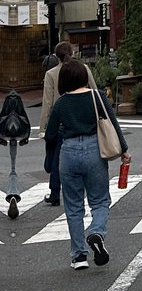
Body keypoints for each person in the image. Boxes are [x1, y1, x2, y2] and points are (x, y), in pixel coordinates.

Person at [44, 58, 129, 270]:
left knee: (73, 207)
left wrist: (65, 131)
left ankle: (79, 256)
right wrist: (124, 150)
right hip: (95, 150)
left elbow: (51, 134)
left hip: (69, 152)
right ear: (84, 76)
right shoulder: (97, 96)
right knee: (100, 200)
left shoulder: (61, 103)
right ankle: (96, 232)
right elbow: (113, 123)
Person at [39, 41, 97, 207]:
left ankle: (55, 192)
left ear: (56, 56)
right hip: (85, 118)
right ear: (72, 53)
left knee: (57, 157)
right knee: (90, 152)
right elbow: (93, 90)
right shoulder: (83, 69)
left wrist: (43, 127)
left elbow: (47, 102)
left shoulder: (51, 74)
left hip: (60, 121)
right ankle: (89, 191)